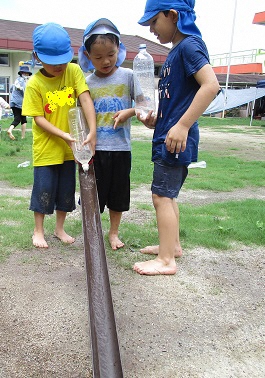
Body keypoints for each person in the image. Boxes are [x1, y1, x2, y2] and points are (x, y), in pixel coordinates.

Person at [133, 0, 220, 275]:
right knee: (168, 196)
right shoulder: (176, 51)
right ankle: (172, 247)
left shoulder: (190, 46)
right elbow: (180, 99)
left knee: (160, 196)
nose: (151, 30)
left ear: (172, 15)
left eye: (154, 22)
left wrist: (182, 126)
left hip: (176, 140)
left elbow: (211, 85)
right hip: (168, 136)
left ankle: (166, 260)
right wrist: (157, 121)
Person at [22, 22, 96, 249]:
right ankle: (38, 230)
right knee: (43, 189)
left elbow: (84, 99)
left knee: (66, 189)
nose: (59, 66)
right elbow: (38, 118)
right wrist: (63, 134)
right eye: (53, 62)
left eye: (63, 60)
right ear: (37, 56)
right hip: (47, 146)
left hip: (70, 146)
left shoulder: (73, 71)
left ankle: (60, 229)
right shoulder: (35, 83)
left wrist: (92, 130)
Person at [78, 18, 135, 250]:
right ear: (88, 56)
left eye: (111, 54)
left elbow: (144, 105)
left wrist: (129, 112)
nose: (106, 61)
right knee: (93, 196)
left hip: (121, 148)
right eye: (98, 57)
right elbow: (79, 117)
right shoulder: (85, 82)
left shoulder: (129, 76)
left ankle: (113, 233)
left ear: (119, 50)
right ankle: (93, 233)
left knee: (117, 196)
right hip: (94, 150)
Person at [7, 65, 32, 140]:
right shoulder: (22, 81)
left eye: (28, 74)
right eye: (26, 73)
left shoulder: (16, 80)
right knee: (21, 119)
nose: (27, 75)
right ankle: (12, 131)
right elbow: (24, 91)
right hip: (20, 103)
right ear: (22, 73)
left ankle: (22, 136)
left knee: (19, 118)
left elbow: (11, 89)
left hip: (13, 102)